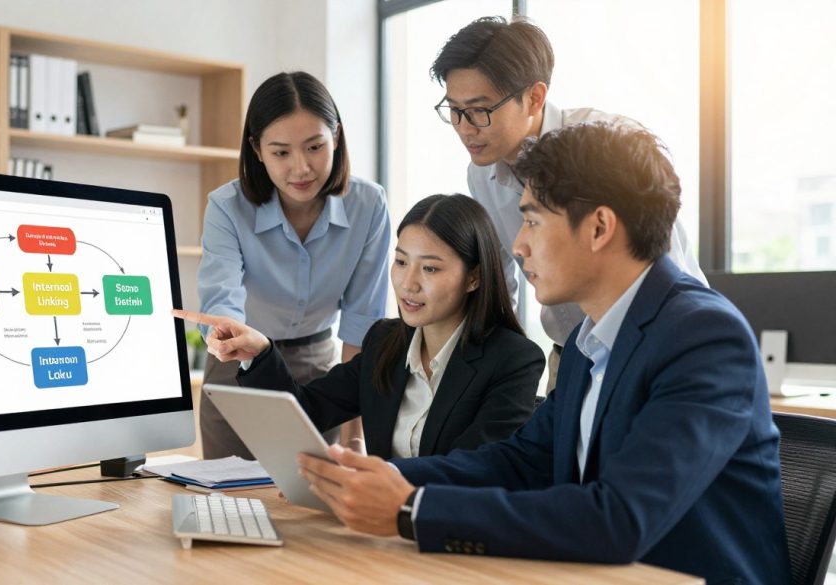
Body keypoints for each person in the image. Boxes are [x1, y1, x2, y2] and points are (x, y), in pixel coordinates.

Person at [294, 124, 790, 585]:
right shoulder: (586, 342)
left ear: (598, 228)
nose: (517, 244)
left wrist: (413, 511)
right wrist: (380, 479)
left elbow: (619, 518)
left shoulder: (702, 337)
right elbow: (522, 460)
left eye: (531, 220)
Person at [431, 16, 707, 389]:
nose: (464, 127)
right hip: (571, 351)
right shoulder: (481, 173)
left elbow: (660, 261)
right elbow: (502, 286)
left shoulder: (608, 147)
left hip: (655, 343)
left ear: (535, 97)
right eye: (454, 110)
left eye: (479, 110)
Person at [175, 194, 545, 458]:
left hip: (448, 541)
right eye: (401, 262)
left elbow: (474, 468)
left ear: (474, 278)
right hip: (377, 536)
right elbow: (306, 409)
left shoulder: (513, 360)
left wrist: (368, 480)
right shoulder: (386, 343)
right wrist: (260, 353)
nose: (408, 283)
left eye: (430, 268)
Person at [196, 71, 391, 459]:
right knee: (230, 507)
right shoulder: (227, 207)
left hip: (321, 375)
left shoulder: (369, 205)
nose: (301, 168)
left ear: (336, 135)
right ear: (256, 149)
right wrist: (226, 337)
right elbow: (222, 297)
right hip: (238, 368)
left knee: (312, 506)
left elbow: (361, 327)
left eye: (315, 146)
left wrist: (354, 438)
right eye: (281, 152)